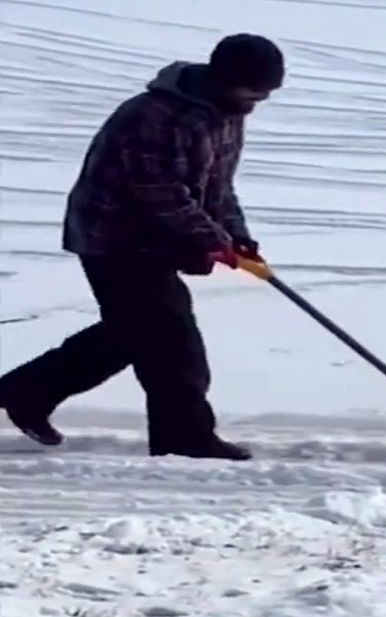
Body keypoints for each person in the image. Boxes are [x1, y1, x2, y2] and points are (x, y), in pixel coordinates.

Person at [0, 33, 286, 461]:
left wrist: (236, 234)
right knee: (172, 342)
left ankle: (26, 392)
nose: (257, 100)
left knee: (133, 333)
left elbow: (219, 186)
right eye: (252, 90)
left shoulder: (225, 113)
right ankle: (184, 440)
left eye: (265, 93)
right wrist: (212, 241)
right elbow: (160, 192)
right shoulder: (154, 116)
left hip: (158, 237)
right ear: (223, 78)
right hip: (114, 237)